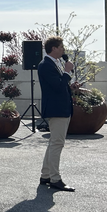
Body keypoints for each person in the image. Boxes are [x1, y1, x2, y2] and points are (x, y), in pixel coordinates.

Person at [38, 36, 75, 192]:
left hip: (61, 107)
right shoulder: (45, 65)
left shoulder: (55, 63)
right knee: (57, 143)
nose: (63, 50)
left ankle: (45, 175)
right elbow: (57, 86)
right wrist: (67, 72)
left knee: (54, 142)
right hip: (56, 109)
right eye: (61, 47)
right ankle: (55, 179)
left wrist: (71, 87)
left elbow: (60, 86)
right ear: (53, 48)